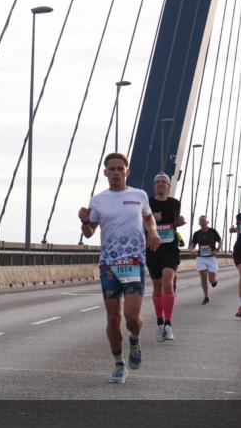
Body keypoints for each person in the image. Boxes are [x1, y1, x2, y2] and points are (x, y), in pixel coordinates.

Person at [79, 153, 161, 384]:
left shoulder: (139, 195)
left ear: (127, 171)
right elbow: (89, 232)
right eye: (111, 169)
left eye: (119, 168)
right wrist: (84, 220)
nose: (115, 172)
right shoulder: (98, 200)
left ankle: (134, 339)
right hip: (109, 264)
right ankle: (118, 363)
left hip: (132, 261)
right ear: (105, 172)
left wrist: (153, 232)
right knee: (113, 317)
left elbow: (148, 219)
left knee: (131, 317)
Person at [146, 173, 186, 341]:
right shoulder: (147, 203)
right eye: (158, 182)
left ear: (169, 186)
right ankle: (159, 323)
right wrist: (150, 220)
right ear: (154, 186)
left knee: (167, 282)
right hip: (153, 249)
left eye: (164, 182)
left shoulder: (175, 203)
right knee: (157, 287)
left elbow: (173, 221)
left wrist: (179, 222)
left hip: (170, 248)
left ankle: (168, 324)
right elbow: (137, 221)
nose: (161, 185)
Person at [190, 215, 221, 305]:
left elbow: (220, 241)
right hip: (201, 258)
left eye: (204, 221)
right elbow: (193, 244)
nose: (203, 222)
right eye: (201, 221)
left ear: (207, 222)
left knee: (211, 280)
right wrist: (191, 250)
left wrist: (217, 250)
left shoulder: (213, 232)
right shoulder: (196, 234)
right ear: (199, 223)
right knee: (203, 275)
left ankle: (214, 281)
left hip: (211, 258)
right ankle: (206, 297)